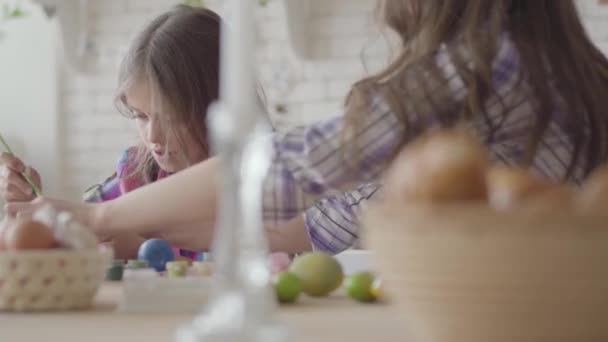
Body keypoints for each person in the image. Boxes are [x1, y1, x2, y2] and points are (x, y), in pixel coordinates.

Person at [8, 0, 608, 254]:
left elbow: (293, 170)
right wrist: (92, 216)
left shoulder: (480, 69)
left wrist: (98, 218)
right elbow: (318, 222)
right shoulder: (574, 67)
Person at [0, 5, 367, 257]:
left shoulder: (278, 181)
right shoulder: (136, 174)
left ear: (221, 104)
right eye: (141, 116)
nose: (154, 138)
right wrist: (32, 209)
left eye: (171, 116)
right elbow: (75, 234)